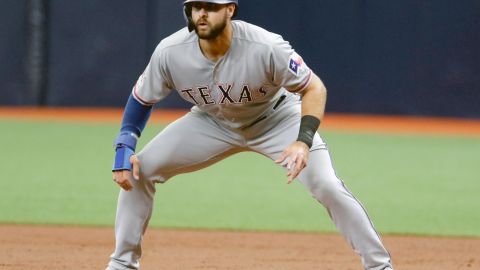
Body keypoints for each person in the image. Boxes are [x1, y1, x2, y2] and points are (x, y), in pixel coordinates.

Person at [106, 0, 394, 269]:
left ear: (230, 10)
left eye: (210, 7)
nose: (201, 14)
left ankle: (379, 265)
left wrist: (303, 140)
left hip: (277, 118)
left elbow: (314, 88)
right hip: (212, 122)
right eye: (195, 7)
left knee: (326, 185)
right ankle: (122, 264)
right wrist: (124, 146)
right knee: (137, 170)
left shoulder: (265, 46)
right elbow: (141, 99)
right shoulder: (170, 51)